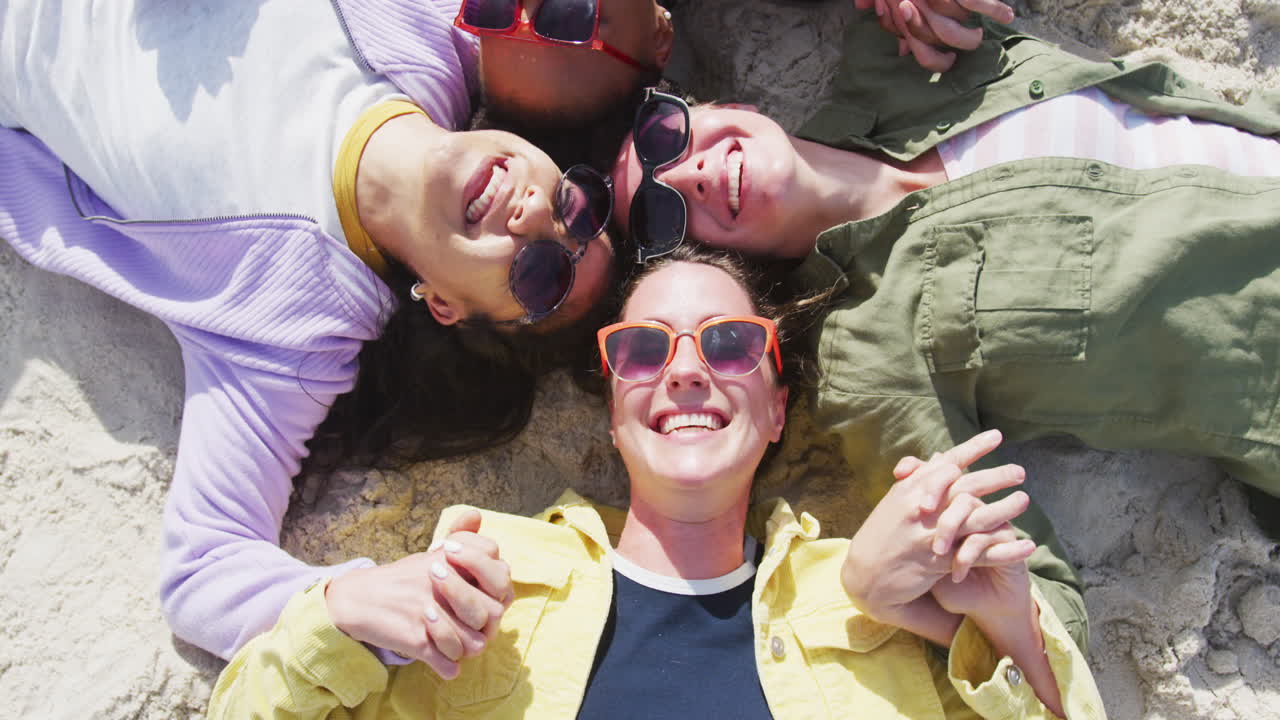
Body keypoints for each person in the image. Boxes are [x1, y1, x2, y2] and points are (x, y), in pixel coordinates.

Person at [0, 0, 670, 671]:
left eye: (540, 273)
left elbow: (203, 569)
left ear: (446, 306)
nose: (534, 217)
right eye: (574, 208)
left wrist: (343, 599)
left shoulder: (288, 327)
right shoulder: (435, 38)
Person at [204, 244, 1107, 719]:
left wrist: (1008, 626)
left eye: (727, 343)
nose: (684, 372)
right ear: (611, 413)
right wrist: (340, 614)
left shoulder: (876, 603)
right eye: (643, 349)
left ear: (778, 407)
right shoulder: (483, 578)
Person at [608, 10, 1280, 644]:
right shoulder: (869, 359)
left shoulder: (899, 56)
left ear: (725, 108)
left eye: (666, 139)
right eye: (662, 214)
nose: (689, 174)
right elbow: (1034, 602)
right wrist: (894, 594)